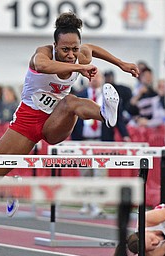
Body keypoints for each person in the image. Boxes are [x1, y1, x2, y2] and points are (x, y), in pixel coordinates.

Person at [0, 12, 139, 217]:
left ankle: (105, 113)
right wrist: (80, 67)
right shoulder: (43, 53)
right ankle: (11, 186)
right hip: (27, 123)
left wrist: (121, 64)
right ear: (54, 46)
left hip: (55, 122)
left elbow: (92, 49)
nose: (70, 54)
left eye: (75, 49)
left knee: (70, 101)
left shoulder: (81, 54)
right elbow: (43, 66)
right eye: (65, 49)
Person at [71, 70, 130, 217]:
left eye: (97, 77)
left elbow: (119, 118)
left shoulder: (109, 97)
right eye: (91, 77)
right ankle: (86, 204)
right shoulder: (80, 95)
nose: (94, 80)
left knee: (100, 174)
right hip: (83, 140)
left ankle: (97, 206)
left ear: (103, 80)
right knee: (85, 173)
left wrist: (125, 135)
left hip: (101, 140)